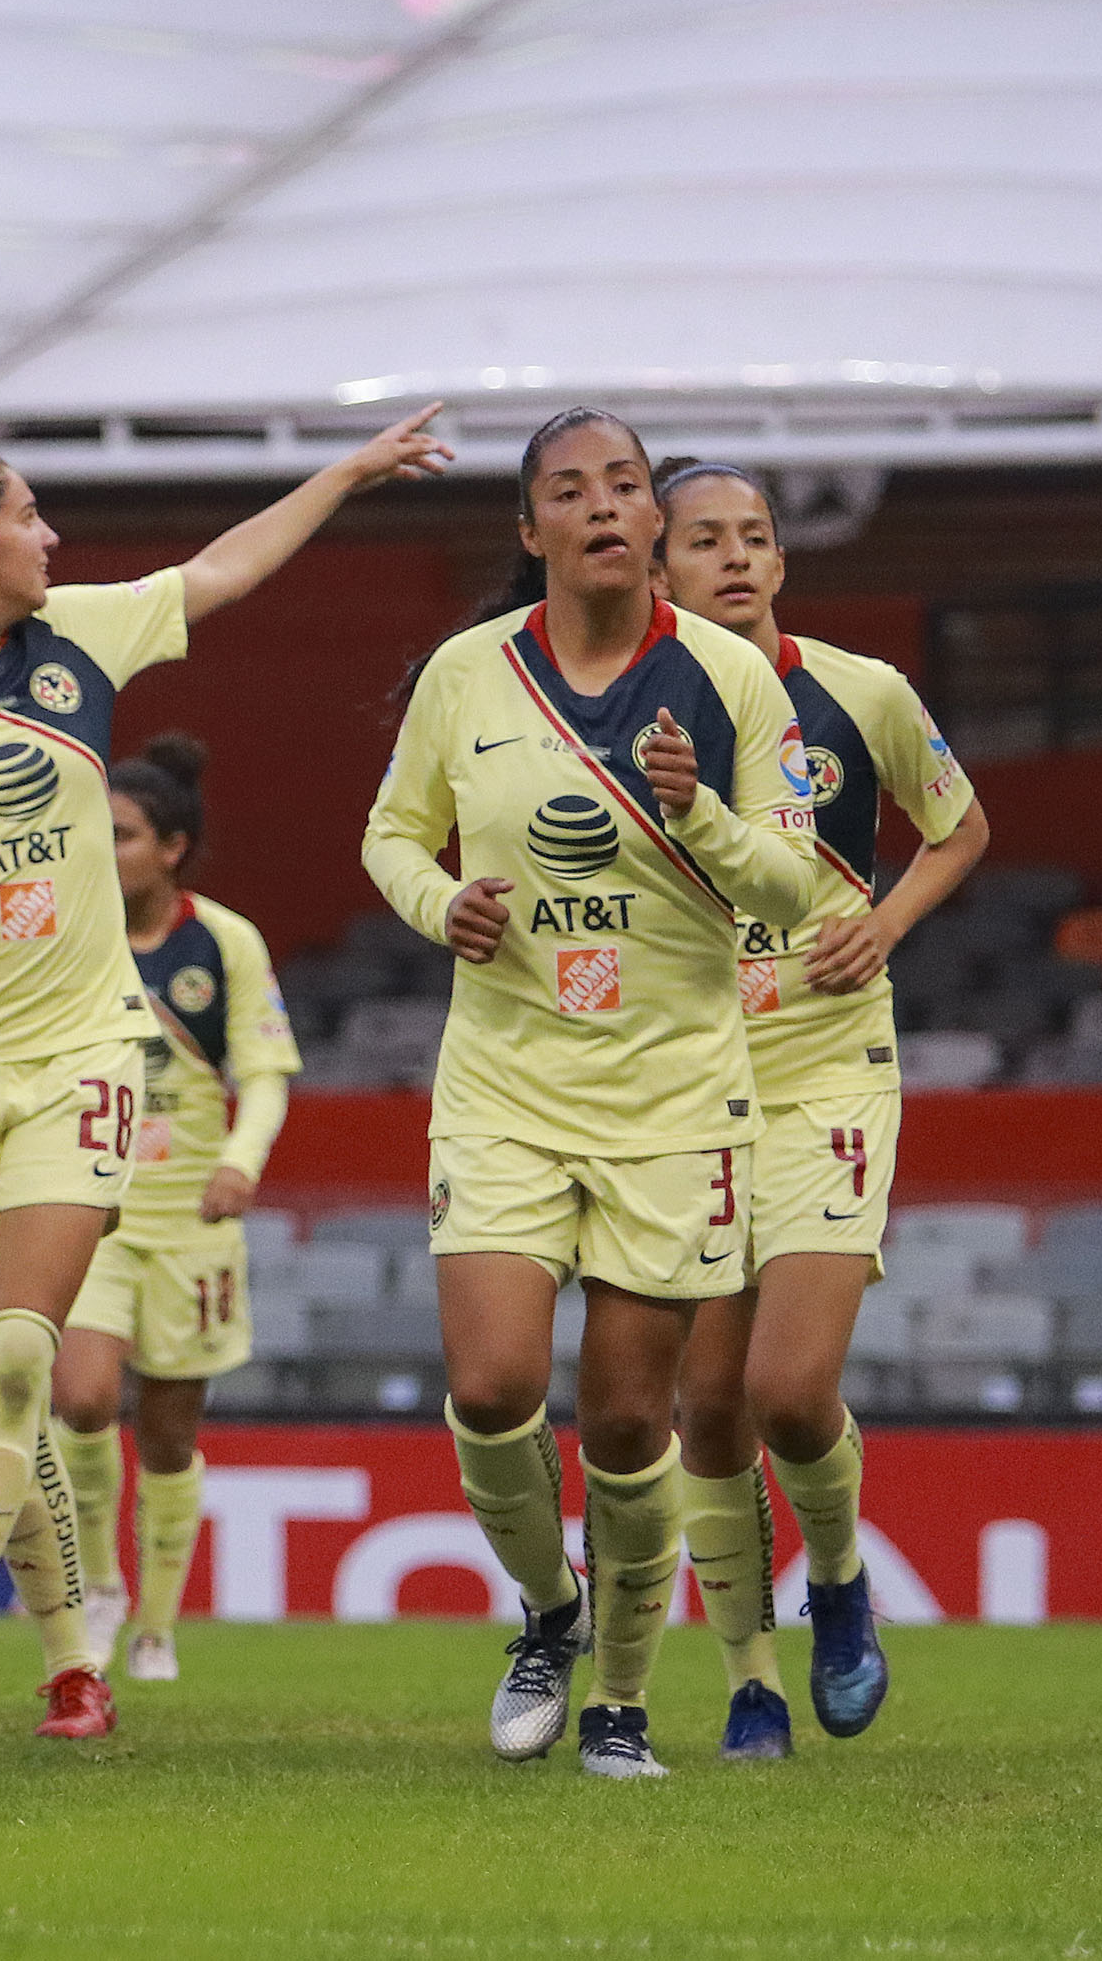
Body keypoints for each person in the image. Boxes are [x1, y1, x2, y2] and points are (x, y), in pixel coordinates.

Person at [0, 409, 450, 1739]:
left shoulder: (82, 630)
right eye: (27, 516)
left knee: (17, 1366)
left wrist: (348, 471)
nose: (51, 536)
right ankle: (75, 1656)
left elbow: (226, 572)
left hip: (82, 1053)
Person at [363, 406, 821, 1781]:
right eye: (573, 490)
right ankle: (548, 1613)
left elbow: (793, 891)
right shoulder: (466, 673)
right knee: (495, 1386)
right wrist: (443, 901)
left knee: (629, 1422)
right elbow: (389, 831)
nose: (606, 507)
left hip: (676, 1096)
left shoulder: (733, 680)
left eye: (626, 484)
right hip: (504, 1084)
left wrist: (701, 817)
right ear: (533, 530)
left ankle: (620, 1701)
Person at [655, 458, 988, 1758]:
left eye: (755, 537)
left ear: (781, 564)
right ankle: (749, 1680)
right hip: (679, 1090)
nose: (735, 556)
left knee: (789, 1389)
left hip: (828, 1069)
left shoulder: (864, 693)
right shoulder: (627, 719)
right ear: (659, 568)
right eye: (704, 539)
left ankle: (839, 1581)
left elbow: (956, 827)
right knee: (705, 1410)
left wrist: (885, 924)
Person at [48, 735, 301, 1683]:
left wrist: (240, 1158)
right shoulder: (65, 936)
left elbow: (267, 1073)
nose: (98, 851)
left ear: (171, 847)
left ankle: (154, 1626)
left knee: (167, 1435)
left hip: (192, 1220)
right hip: (92, 1211)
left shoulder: (223, 942)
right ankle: (101, 1582)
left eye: (117, 834)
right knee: (77, 1399)